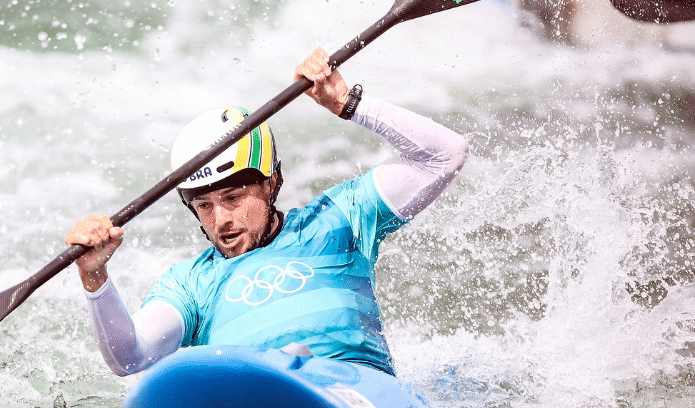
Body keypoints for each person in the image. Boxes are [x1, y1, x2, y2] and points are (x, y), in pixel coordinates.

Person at [65, 48, 469, 377]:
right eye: (204, 206)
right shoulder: (189, 284)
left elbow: (445, 156)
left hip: (354, 394)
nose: (220, 218)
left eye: (234, 197)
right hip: (256, 402)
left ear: (271, 182)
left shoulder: (338, 219)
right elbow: (130, 358)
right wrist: (94, 274)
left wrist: (349, 104)